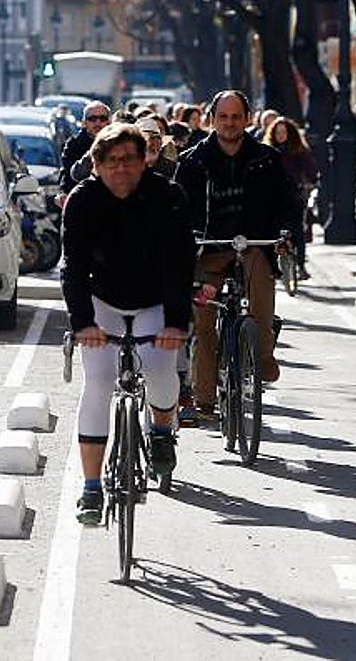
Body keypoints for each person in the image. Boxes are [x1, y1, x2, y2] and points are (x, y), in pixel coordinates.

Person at [62, 124, 196, 524]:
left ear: (144, 162)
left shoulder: (167, 196)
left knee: (159, 368)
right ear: (97, 165)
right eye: (112, 161)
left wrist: (175, 323)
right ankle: (90, 488)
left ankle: (159, 432)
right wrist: (83, 323)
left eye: (130, 159)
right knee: (100, 381)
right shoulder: (82, 200)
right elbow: (72, 267)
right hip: (102, 300)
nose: (121, 169)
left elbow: (180, 262)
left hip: (154, 299)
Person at [175, 90, 299, 418]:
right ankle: (204, 399)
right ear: (212, 120)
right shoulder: (192, 161)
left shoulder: (267, 159)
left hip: (254, 245)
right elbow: (177, 208)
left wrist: (286, 233)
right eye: (223, 117)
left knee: (261, 299)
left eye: (236, 117)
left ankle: (261, 356)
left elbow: (288, 201)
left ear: (247, 119)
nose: (229, 123)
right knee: (203, 323)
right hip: (209, 249)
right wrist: (184, 239)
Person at [264, 116, 317, 279]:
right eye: (277, 132)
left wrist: (310, 182)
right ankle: (274, 265)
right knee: (273, 229)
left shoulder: (298, 150)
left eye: (283, 132)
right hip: (274, 196)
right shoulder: (267, 151)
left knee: (297, 230)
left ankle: (300, 265)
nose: (280, 135)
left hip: (294, 194)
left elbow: (310, 169)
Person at [56, 101, 110, 205]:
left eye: (102, 119)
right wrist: (63, 193)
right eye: (92, 119)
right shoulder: (74, 145)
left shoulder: (118, 143)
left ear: (108, 122)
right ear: (84, 123)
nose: (98, 123)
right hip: (83, 201)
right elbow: (67, 173)